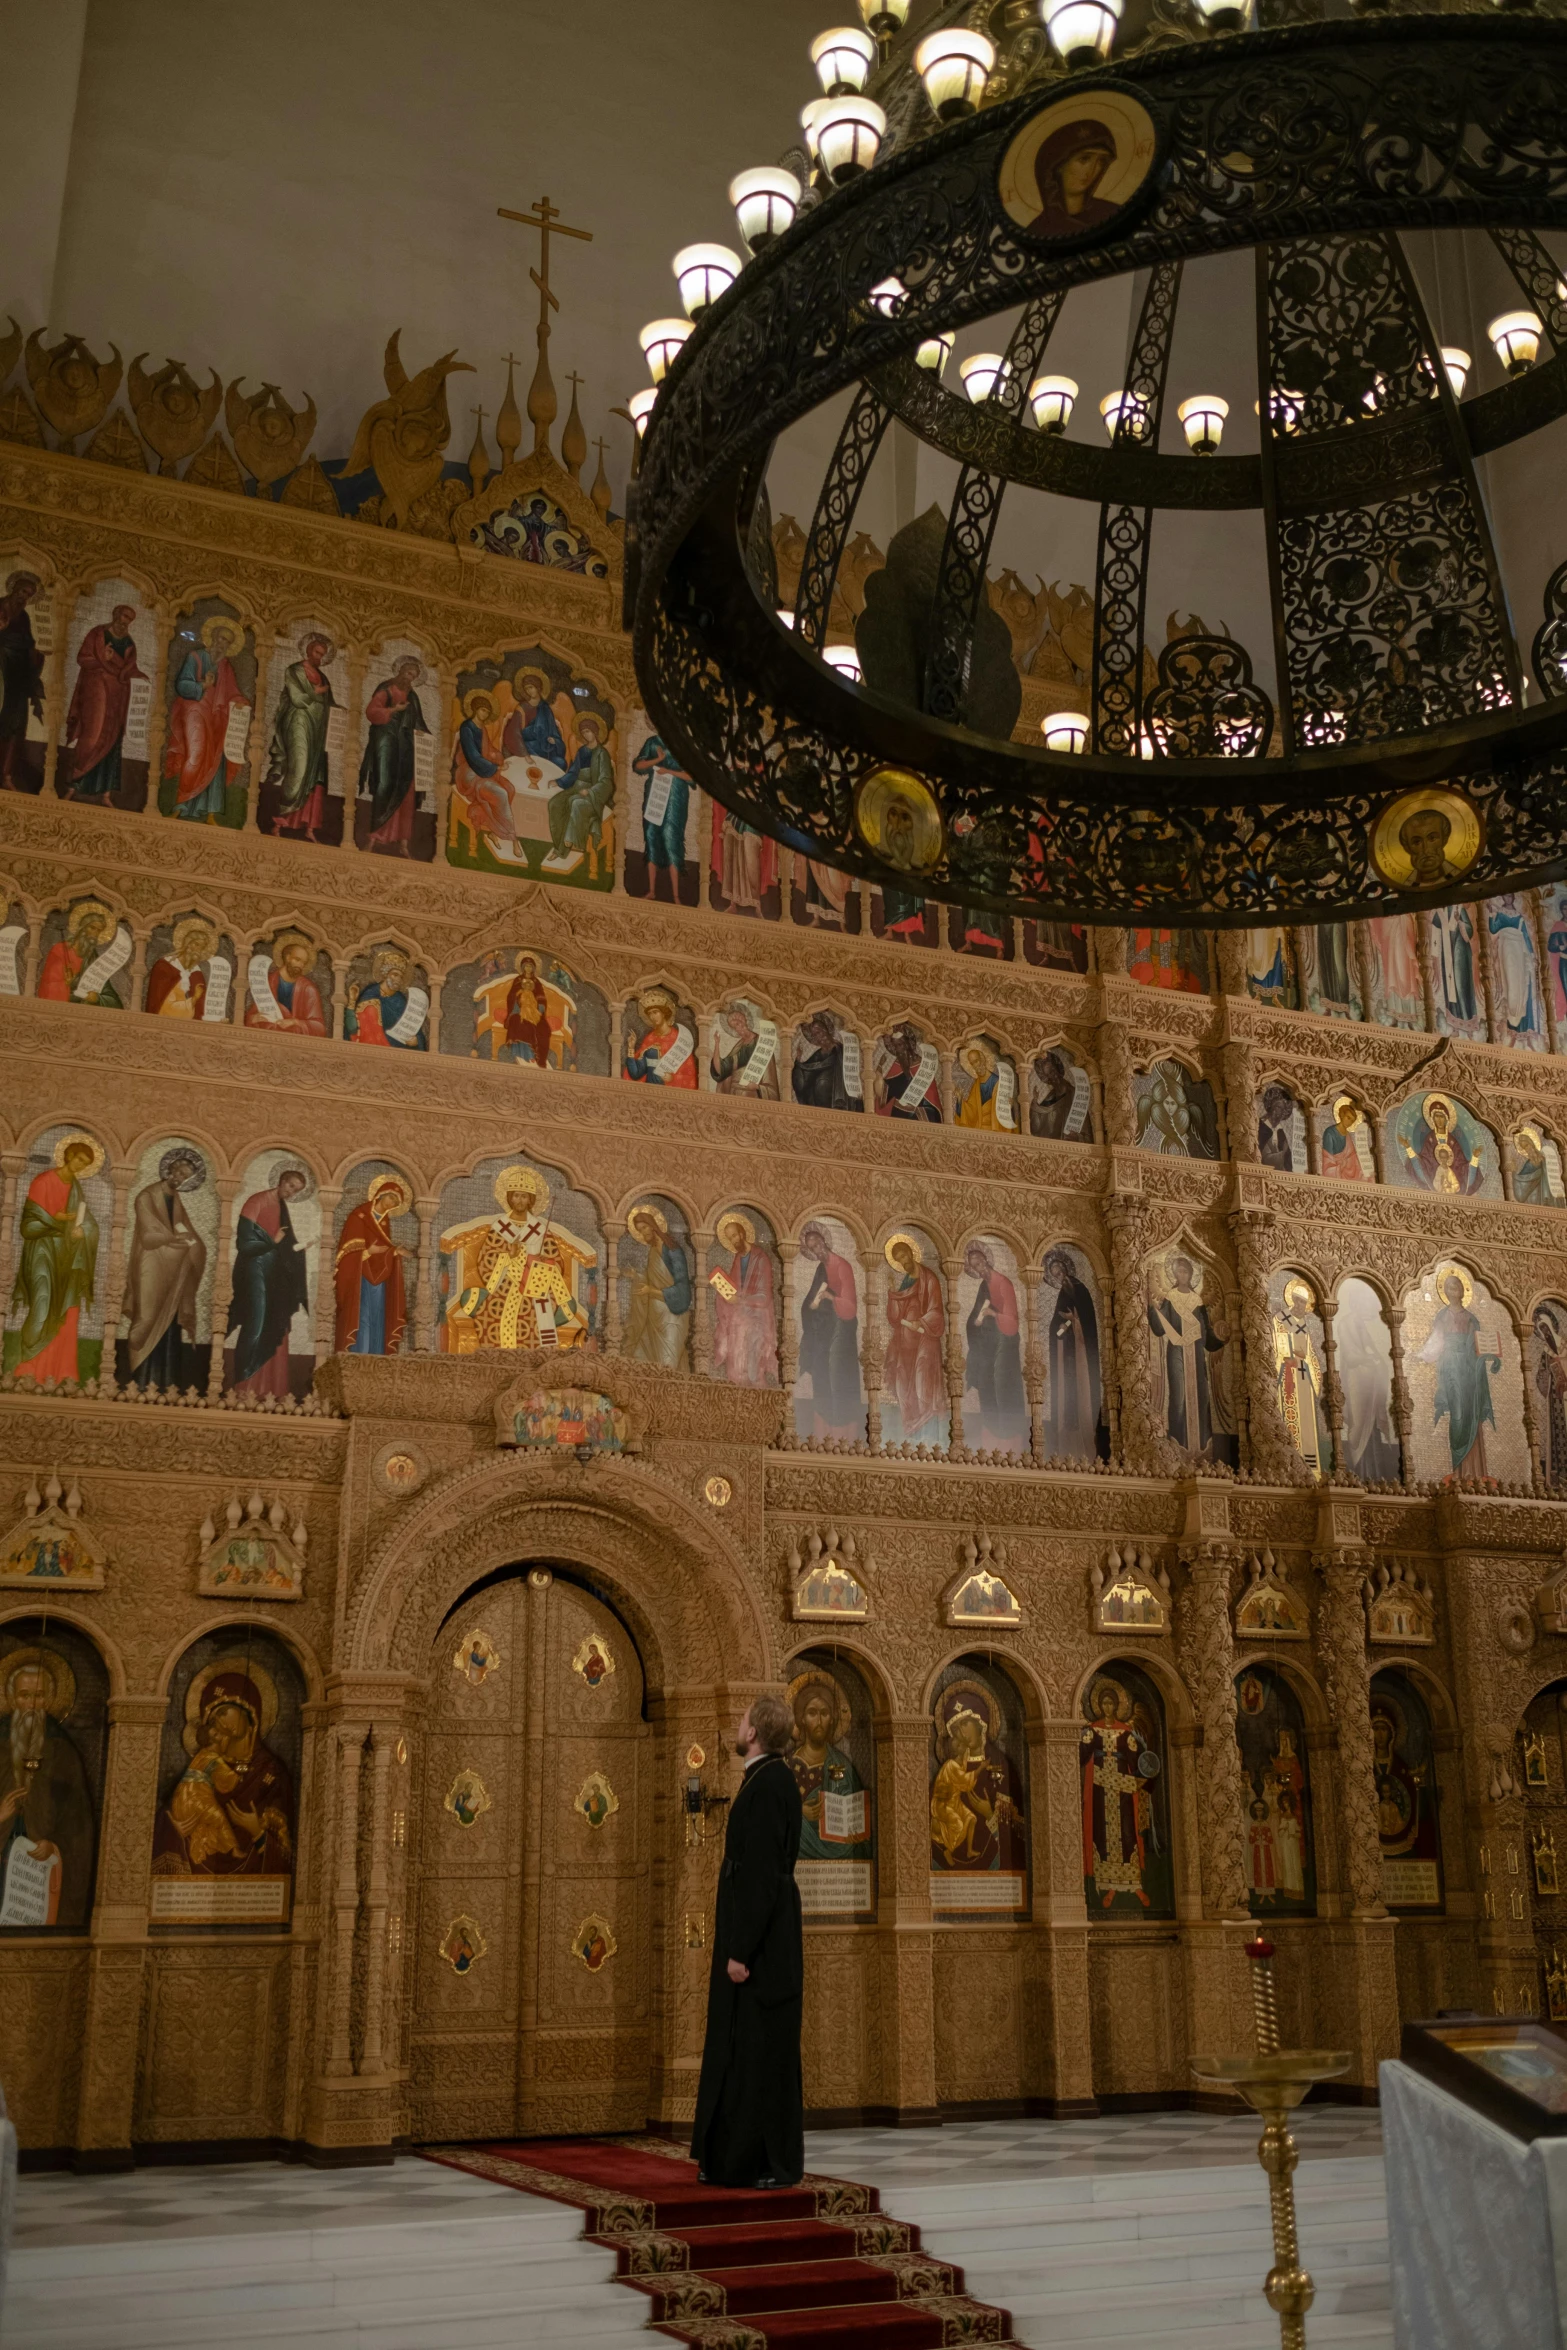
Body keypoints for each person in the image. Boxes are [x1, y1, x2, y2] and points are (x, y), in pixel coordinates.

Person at [691, 1693, 803, 2190]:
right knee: (747, 2048)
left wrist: (740, 1951)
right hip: (760, 1935)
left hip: (761, 1946)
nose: (738, 1728)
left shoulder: (770, 1784)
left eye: (742, 1722)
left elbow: (760, 1876)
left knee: (757, 2051)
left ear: (754, 1731)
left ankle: (757, 2162)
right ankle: (736, 2159)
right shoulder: (767, 1780)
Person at [152, 1669, 293, 1881]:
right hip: (194, 1881)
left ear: (251, 1712)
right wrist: (174, 1829)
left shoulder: (272, 1772)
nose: (220, 1720)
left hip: (256, 1887)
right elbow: (174, 1808)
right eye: (215, 1714)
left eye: (227, 1709)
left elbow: (289, 1846)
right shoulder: (202, 1764)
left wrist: (257, 1832)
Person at [0, 1645, 95, 1928]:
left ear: (49, 1699)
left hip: (37, 1866)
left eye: (39, 1696)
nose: (32, 1704)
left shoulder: (63, 1751)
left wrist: (54, 1845)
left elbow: (79, 1822)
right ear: (12, 1698)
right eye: (25, 1695)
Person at [12, 1134, 101, 1383]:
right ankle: (27, 1366)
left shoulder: (76, 1189)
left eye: (85, 1164)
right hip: (42, 1254)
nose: (80, 1167)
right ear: (69, 1155)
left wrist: (81, 1231)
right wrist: (57, 1222)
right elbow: (28, 1226)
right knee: (41, 1307)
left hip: (67, 1258)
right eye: (79, 1160)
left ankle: (61, 1371)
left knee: (68, 1311)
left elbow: (88, 1223)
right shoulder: (43, 1182)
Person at [124, 1146, 208, 1390]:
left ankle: (166, 1381)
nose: (180, 1178)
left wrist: (193, 1245)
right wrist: (173, 1240)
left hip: (175, 1265)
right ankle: (139, 1379)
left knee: (170, 1319)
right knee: (147, 1315)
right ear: (170, 1168)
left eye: (186, 1176)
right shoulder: (146, 1196)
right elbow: (149, 1235)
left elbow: (185, 1229)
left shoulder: (176, 1199)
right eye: (179, 1171)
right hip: (151, 1263)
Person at [227, 1165, 311, 1398]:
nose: (291, 1192)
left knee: (277, 1322)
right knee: (256, 1322)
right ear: (282, 1181)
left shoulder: (282, 1207)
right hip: (255, 1271)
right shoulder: (258, 1201)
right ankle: (246, 1385)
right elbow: (244, 1244)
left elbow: (285, 1245)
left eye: (296, 1190)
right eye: (291, 1186)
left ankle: (274, 1388)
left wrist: (299, 1250)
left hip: (275, 1276)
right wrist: (272, 1242)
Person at [1418, 1268, 1501, 1477]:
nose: (1452, 1290)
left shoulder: (1472, 1319)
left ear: (1463, 1290)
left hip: (1470, 1371)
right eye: (1448, 1287)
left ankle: (1475, 1471)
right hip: (1450, 1370)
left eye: (1455, 1286)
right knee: (1457, 1414)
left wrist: (1492, 1356)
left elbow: (1479, 1346)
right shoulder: (1442, 1316)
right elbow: (1435, 1344)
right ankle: (1459, 1470)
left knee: (1471, 1413)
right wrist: (1419, 1357)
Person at [165, 615, 246, 821]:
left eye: (227, 642)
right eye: (220, 639)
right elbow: (182, 685)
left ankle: (210, 813)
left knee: (216, 760)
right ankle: (181, 805)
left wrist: (239, 701)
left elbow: (233, 692)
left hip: (217, 717)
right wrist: (203, 686)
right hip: (195, 709)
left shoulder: (225, 666)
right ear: (213, 638)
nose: (222, 644)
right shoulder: (195, 657)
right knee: (196, 755)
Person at [61, 602, 144, 800]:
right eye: (124, 616)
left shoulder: (129, 643)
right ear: (116, 615)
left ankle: (105, 793)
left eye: (129, 619)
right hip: (95, 690)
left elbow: (128, 668)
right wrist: (103, 661)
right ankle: (74, 784)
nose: (125, 622)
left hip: (118, 694)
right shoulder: (97, 634)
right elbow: (82, 658)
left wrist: (134, 673)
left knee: (112, 736)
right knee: (92, 733)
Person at [266, 632, 335, 839]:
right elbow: (296, 698)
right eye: (316, 652)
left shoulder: (323, 677)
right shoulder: (294, 670)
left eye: (322, 654)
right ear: (307, 650)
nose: (319, 657)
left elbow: (328, 703)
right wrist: (317, 693)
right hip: (298, 723)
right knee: (299, 767)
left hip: (318, 730)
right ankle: (281, 819)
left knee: (315, 774)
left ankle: (309, 826)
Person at [797, 1221, 862, 1439]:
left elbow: (851, 1308)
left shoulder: (843, 1266)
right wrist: (812, 1306)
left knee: (838, 1375)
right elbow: (809, 1301)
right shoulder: (820, 1269)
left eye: (817, 1243)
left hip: (842, 1331)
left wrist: (830, 1297)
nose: (816, 1249)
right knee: (820, 1369)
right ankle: (823, 1432)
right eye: (811, 1247)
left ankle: (843, 1434)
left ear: (824, 1241)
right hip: (826, 1329)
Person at [334, 1174, 410, 1355]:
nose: (392, 1203)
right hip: (359, 1277)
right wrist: (368, 1252)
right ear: (381, 1194)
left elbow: (384, 1249)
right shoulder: (359, 1216)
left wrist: (394, 1252)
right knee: (362, 1315)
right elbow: (347, 1253)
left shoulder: (384, 1222)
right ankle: (359, 1353)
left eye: (396, 1202)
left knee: (378, 1316)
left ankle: (376, 1355)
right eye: (391, 1197)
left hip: (379, 1277)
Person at [963, 1241, 1026, 1454]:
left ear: (986, 1260)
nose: (979, 1268)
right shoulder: (984, 1286)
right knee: (985, 1379)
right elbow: (975, 1315)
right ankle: (991, 1435)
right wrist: (976, 1322)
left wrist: (993, 1315)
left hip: (1006, 1343)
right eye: (974, 1266)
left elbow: (1012, 1322)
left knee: (1002, 1382)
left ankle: (1009, 1435)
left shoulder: (1003, 1283)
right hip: (990, 1341)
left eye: (980, 1262)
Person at [360, 654, 428, 853]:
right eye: (408, 673)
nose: (410, 678)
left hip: (406, 748)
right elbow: (372, 712)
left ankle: (403, 842)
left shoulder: (413, 697)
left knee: (406, 789)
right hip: (386, 742)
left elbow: (418, 722)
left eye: (414, 676)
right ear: (400, 672)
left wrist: (425, 736)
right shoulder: (386, 689)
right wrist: (393, 710)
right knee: (384, 784)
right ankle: (374, 837)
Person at [883, 1234, 946, 1445]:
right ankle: (908, 1429)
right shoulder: (905, 1282)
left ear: (912, 1252)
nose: (904, 1260)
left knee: (922, 1382)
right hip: (904, 1344)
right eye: (899, 1258)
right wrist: (893, 1293)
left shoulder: (929, 1278)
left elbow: (936, 1310)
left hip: (924, 1341)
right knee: (901, 1384)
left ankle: (929, 1440)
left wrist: (922, 1323)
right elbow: (894, 1317)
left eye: (905, 1255)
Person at [1044, 1246, 1105, 1461]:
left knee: (1081, 1390)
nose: (1059, 1277)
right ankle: (1067, 1446)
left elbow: (1087, 1321)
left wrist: (1074, 1320)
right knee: (1067, 1391)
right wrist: (1061, 1328)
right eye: (1055, 1275)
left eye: (1060, 1272)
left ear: (1066, 1269)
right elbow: (1057, 1324)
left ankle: (1087, 1441)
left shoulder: (1081, 1289)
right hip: (1067, 1351)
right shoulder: (1063, 1292)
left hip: (1080, 1353)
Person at [710, 1211, 777, 1388]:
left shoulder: (760, 1258)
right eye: (729, 1238)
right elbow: (733, 1288)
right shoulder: (739, 1258)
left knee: (752, 1370)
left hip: (757, 1321)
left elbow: (764, 1298)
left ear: (742, 1233)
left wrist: (738, 1299)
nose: (733, 1241)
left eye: (734, 1235)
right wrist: (723, 1291)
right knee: (735, 1366)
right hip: (740, 1320)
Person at [622, 1202, 691, 1368]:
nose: (643, 1233)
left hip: (671, 1316)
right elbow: (651, 1278)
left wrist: (651, 1290)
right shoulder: (653, 1251)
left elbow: (683, 1290)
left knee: (668, 1364)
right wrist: (637, 1277)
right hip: (653, 1316)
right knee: (643, 1361)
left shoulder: (674, 1251)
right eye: (640, 1230)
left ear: (653, 1227)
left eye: (644, 1228)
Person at [543, 713, 614, 875]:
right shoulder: (582, 751)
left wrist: (589, 791)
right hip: (575, 787)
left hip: (591, 793)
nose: (586, 735)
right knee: (554, 803)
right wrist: (559, 782)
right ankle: (558, 844)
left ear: (595, 732)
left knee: (575, 803)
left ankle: (564, 847)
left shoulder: (602, 754)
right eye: (583, 732)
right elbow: (574, 772)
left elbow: (606, 782)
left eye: (588, 731)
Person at [1027, 117, 1119, 238]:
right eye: (1084, 159)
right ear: (1059, 165)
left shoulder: (1112, 213)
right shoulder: (1038, 231)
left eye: (1101, 161)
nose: (1092, 170)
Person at [0, 571, 44, 789]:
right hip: (1, 669)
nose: (25, 597)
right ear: (14, 588)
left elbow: (28, 644)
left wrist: (37, 654)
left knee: (16, 722)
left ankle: (6, 774)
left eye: (29, 594)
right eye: (23, 591)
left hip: (16, 675)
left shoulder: (24, 617)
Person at [634, 733, 690, 898]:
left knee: (671, 838)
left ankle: (676, 896)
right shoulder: (652, 742)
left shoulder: (682, 743)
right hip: (655, 795)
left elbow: (692, 776)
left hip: (675, 798)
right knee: (652, 837)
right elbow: (638, 766)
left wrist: (669, 772)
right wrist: (657, 760)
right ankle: (652, 891)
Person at [145, 917, 217, 1019]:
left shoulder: (196, 974)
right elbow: (161, 1006)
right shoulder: (165, 966)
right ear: (187, 943)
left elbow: (200, 1011)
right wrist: (193, 999)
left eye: (202, 947)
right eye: (196, 944)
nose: (198, 950)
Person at [792, 1012, 860, 1112]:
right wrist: (798, 1061)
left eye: (819, 1031)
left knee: (822, 1083)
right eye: (815, 1035)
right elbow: (807, 1069)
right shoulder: (818, 1054)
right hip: (819, 1100)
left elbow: (850, 1071)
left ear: (826, 1030)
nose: (819, 1036)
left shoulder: (840, 1048)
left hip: (837, 1095)